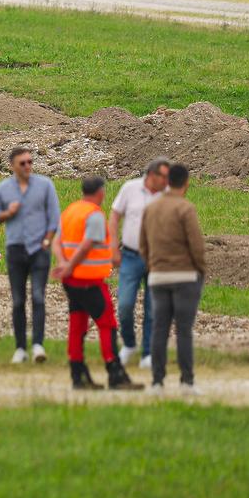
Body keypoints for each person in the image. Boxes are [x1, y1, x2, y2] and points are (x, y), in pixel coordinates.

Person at [52, 176, 142, 391]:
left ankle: (77, 373)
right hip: (89, 280)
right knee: (107, 324)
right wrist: (71, 265)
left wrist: (63, 263)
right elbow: (87, 245)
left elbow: (56, 241)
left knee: (77, 325)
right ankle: (114, 371)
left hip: (71, 281)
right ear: (101, 192)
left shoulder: (71, 211)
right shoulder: (94, 215)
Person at [0, 147, 60, 364]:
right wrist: (7, 213)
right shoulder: (4, 188)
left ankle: (38, 345)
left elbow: (54, 218)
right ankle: (20, 348)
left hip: (39, 249)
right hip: (16, 249)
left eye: (30, 162)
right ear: (12, 166)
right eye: (23, 163)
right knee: (18, 300)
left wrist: (47, 241)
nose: (28, 166)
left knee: (38, 296)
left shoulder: (45, 185)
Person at [140, 162, 206, 391]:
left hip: (158, 276)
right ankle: (186, 381)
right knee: (183, 331)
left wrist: (152, 266)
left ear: (167, 182)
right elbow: (196, 245)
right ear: (186, 183)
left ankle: (157, 381)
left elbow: (143, 245)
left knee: (160, 329)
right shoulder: (186, 209)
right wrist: (200, 269)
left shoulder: (151, 208)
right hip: (184, 276)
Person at [110, 158, 169, 371]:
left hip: (157, 258)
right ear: (152, 175)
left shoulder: (167, 194)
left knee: (153, 308)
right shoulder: (130, 188)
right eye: (164, 176)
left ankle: (148, 353)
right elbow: (115, 216)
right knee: (125, 304)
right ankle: (128, 344)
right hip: (131, 256)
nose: (167, 181)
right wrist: (113, 247)